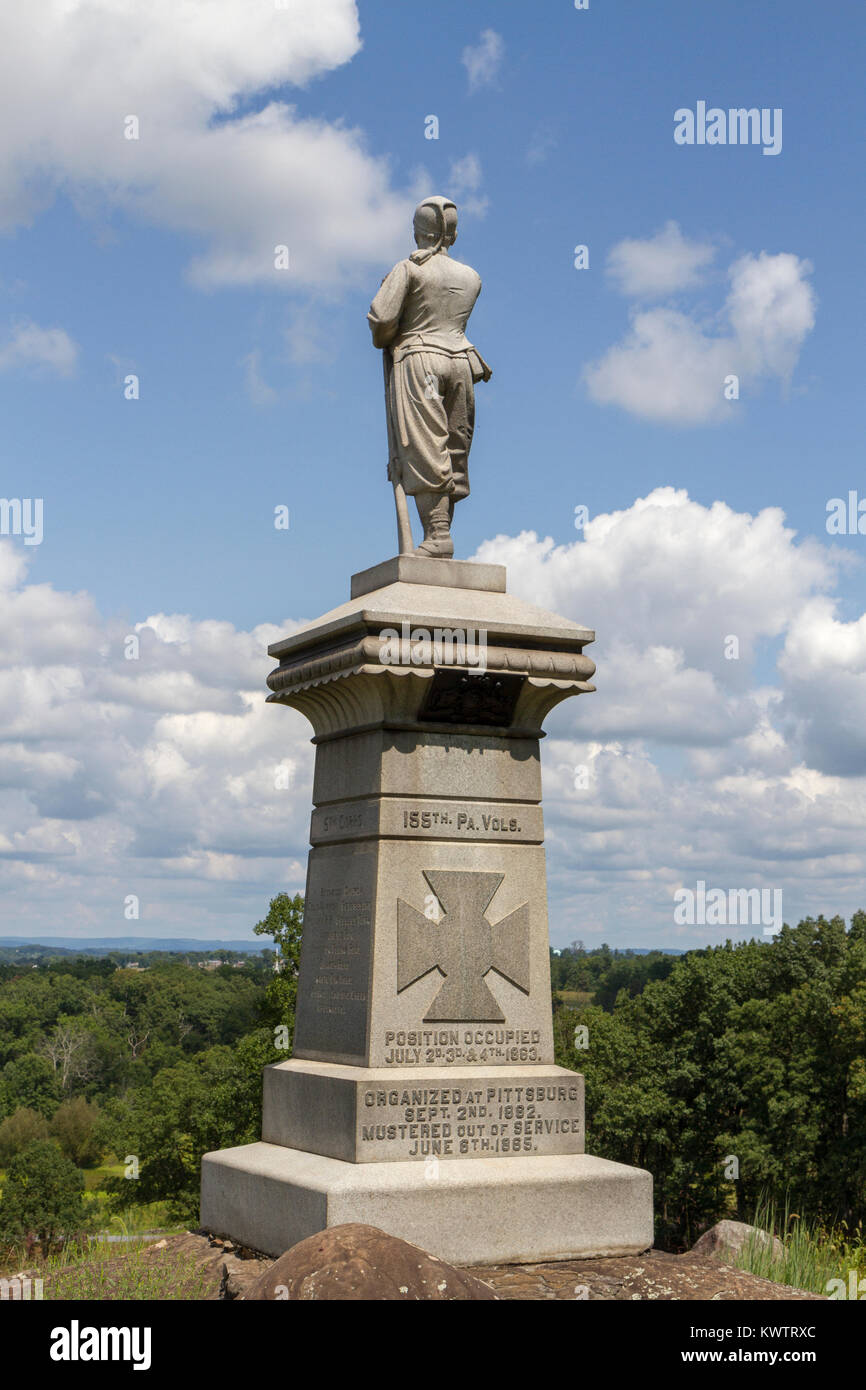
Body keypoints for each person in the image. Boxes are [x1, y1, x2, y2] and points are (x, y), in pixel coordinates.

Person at [368, 197, 491, 558]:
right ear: (453, 234)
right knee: (452, 449)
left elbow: (382, 322)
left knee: (425, 448)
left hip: (420, 359)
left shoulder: (408, 269)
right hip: (461, 363)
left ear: (418, 231)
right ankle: (440, 532)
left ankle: (437, 535)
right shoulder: (471, 277)